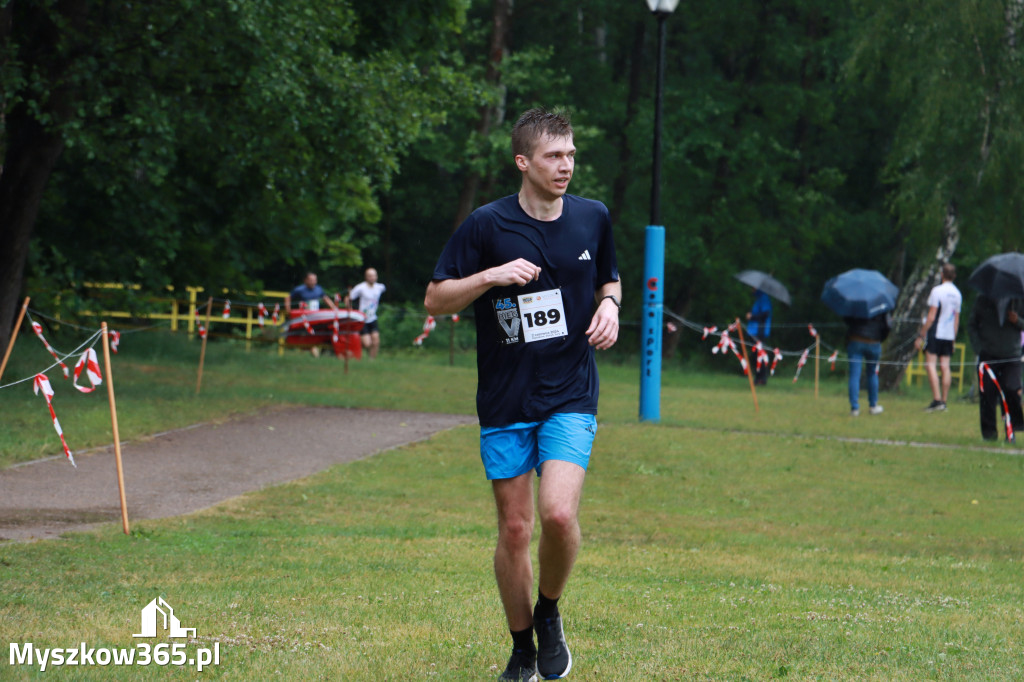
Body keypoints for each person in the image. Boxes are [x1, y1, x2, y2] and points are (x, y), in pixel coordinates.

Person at [424, 108, 620, 681]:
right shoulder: (486, 225)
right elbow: (436, 300)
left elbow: (609, 275)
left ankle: (549, 612)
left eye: (571, 155)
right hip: (507, 397)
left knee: (557, 514)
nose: (566, 166)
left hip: (571, 390)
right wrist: (490, 276)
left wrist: (610, 305)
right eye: (554, 157)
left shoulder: (593, 217)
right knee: (514, 529)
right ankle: (521, 649)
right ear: (523, 162)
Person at [967, 294, 1024, 441]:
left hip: (1011, 354)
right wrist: (978, 348)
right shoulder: (982, 300)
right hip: (988, 354)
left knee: (1011, 389)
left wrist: (1017, 320)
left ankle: (1012, 430)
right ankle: (989, 434)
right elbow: (972, 325)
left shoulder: (1019, 300)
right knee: (987, 394)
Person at [914, 263, 962, 411]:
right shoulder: (957, 293)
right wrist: (953, 338)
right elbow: (956, 319)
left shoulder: (937, 291)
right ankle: (944, 400)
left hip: (936, 332)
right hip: (948, 334)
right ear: (954, 276)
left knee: (930, 365)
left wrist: (921, 334)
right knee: (945, 367)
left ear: (942, 274)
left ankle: (937, 399)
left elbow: (932, 315)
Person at [844, 311, 890, 416]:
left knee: (854, 375)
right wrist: (879, 338)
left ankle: (854, 408)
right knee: (872, 373)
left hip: (856, 340)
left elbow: (847, 320)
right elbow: (887, 325)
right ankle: (873, 406)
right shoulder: (880, 303)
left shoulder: (854, 301)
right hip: (874, 342)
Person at [284, 272, 338, 357]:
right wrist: (288, 311)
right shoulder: (299, 290)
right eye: (311, 280)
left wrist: (334, 309)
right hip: (304, 318)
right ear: (305, 280)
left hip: (316, 317)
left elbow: (326, 298)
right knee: (308, 335)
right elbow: (287, 298)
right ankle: (314, 353)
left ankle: (322, 352)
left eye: (315, 280)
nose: (313, 282)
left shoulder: (319, 289)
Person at [348, 268, 386, 359]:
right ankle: (353, 348)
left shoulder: (380, 287)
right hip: (362, 318)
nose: (372, 278)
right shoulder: (360, 287)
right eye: (370, 276)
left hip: (373, 318)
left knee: (376, 341)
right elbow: (349, 298)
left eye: (374, 275)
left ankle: (371, 360)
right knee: (367, 343)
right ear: (366, 277)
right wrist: (350, 310)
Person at [745, 288, 772, 385]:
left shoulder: (764, 298)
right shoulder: (758, 299)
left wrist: (752, 317)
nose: (751, 289)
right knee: (755, 355)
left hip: (760, 332)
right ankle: (758, 377)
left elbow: (765, 315)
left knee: (760, 355)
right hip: (753, 331)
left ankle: (761, 379)